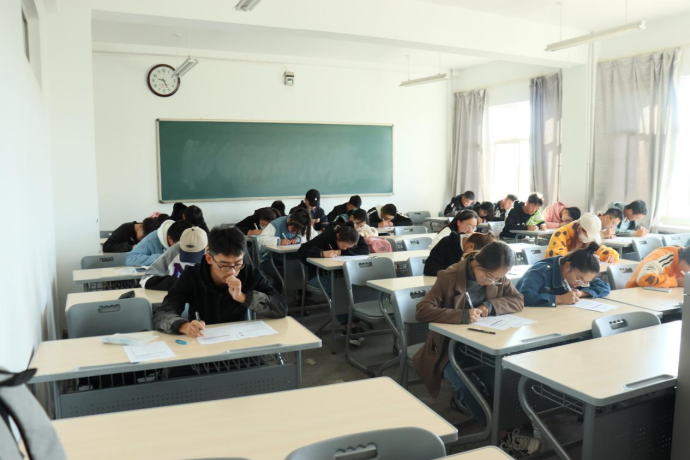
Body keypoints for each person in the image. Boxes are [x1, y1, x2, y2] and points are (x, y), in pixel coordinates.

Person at [412, 242, 541, 456]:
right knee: (467, 387)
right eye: (488, 277)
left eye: (497, 279)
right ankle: (502, 435)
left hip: (484, 345)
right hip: (449, 348)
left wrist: (489, 306)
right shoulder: (449, 276)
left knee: (499, 380)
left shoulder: (498, 276)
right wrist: (462, 315)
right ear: (476, 264)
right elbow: (422, 311)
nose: (491, 282)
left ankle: (512, 426)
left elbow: (518, 300)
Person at [152, 227, 287, 336]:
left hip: (240, 341)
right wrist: (184, 326)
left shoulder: (250, 274)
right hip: (202, 340)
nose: (232, 271)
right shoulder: (192, 276)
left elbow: (281, 308)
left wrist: (243, 297)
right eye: (224, 265)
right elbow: (162, 314)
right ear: (209, 259)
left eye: (238, 263)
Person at [516, 243, 611, 307]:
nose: (580, 284)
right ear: (567, 266)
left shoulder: (583, 275)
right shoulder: (541, 271)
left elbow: (604, 287)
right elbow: (524, 297)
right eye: (579, 279)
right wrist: (560, 299)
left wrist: (580, 293)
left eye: (585, 282)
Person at [257, 208, 316, 291]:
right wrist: (279, 241)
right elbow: (261, 239)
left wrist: (299, 239)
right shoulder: (277, 223)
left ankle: (301, 295)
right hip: (269, 259)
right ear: (289, 221)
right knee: (284, 272)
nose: (292, 233)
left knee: (304, 269)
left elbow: (314, 237)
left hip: (291, 258)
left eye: (297, 231)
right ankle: (277, 296)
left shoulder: (304, 223)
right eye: (292, 229)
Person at [140, 226, 207, 290]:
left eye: (194, 253)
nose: (190, 258)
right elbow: (145, 279)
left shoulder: (211, 257)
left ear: (206, 247)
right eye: (186, 251)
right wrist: (175, 282)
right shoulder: (174, 251)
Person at [545, 213, 619, 263]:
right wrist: (585, 258)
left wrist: (610, 255)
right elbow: (558, 257)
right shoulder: (560, 234)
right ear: (579, 229)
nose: (590, 239)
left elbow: (600, 249)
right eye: (588, 235)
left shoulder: (585, 235)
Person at [424, 232, 496, 276]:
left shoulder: (478, 243)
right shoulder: (447, 242)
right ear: (470, 247)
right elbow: (429, 269)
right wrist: (458, 270)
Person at [624, 245, 690, 288]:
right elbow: (644, 279)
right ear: (685, 261)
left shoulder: (681, 262)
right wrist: (676, 281)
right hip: (634, 296)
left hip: (656, 297)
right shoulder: (663, 257)